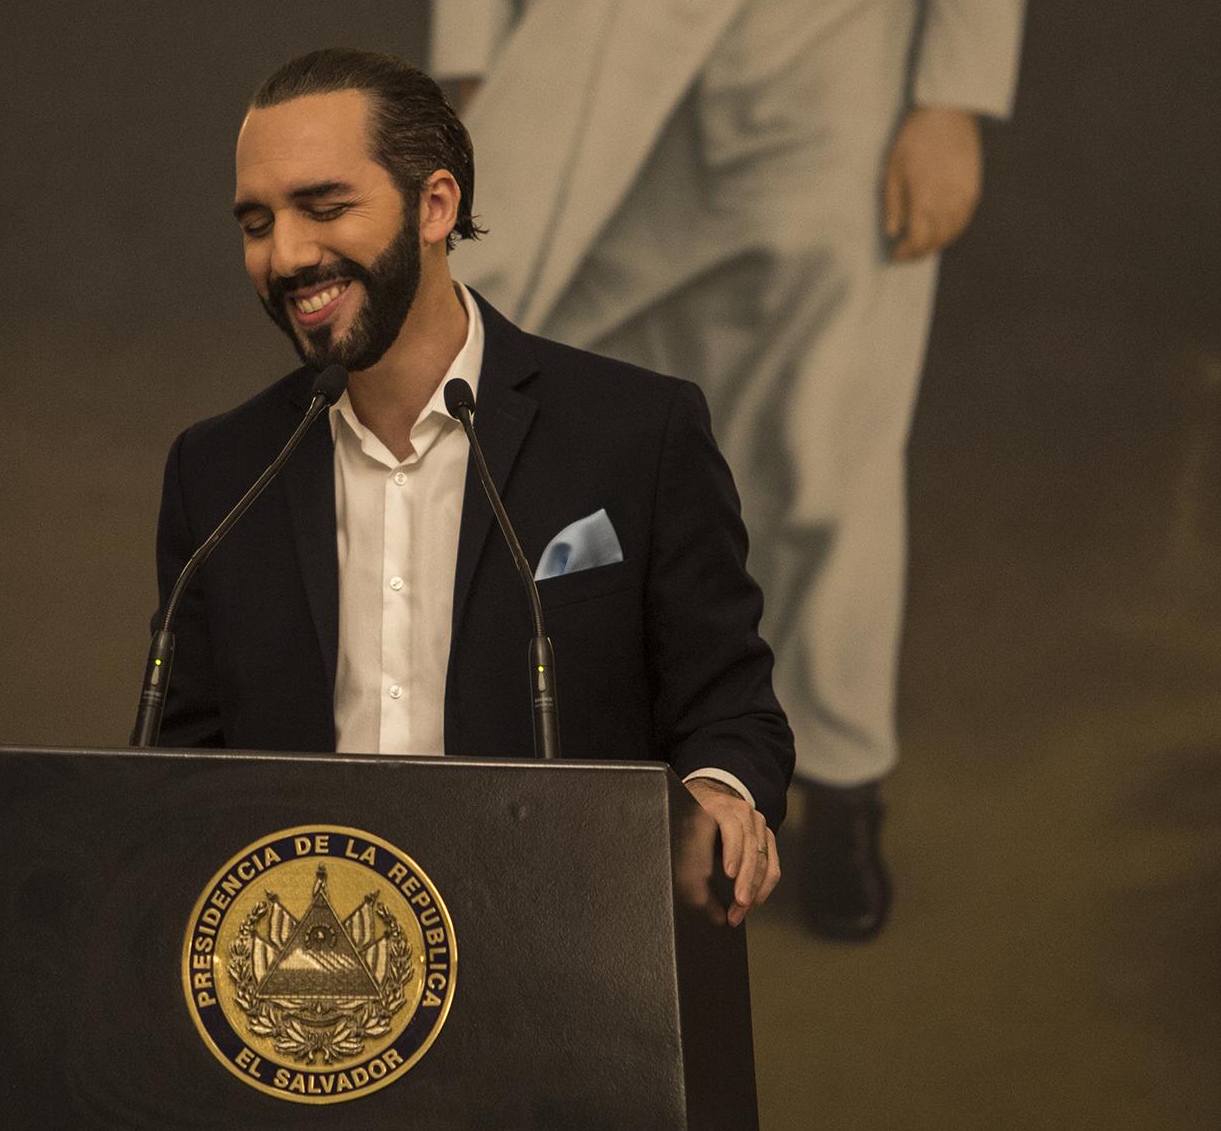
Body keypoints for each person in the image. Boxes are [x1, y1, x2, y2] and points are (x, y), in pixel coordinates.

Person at [430, 0, 1038, 938]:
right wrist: (474, 61)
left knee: (824, 448)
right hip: (594, 29)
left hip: (823, 29)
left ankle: (838, 779)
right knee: (579, 445)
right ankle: (587, 782)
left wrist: (951, 99)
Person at [154, 47, 791, 917]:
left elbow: (729, 705)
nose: (288, 253)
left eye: (325, 206)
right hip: (313, 993)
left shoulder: (637, 434)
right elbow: (177, 767)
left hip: (565, 962)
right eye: (257, 222)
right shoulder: (219, 471)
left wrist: (719, 795)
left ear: (435, 204)